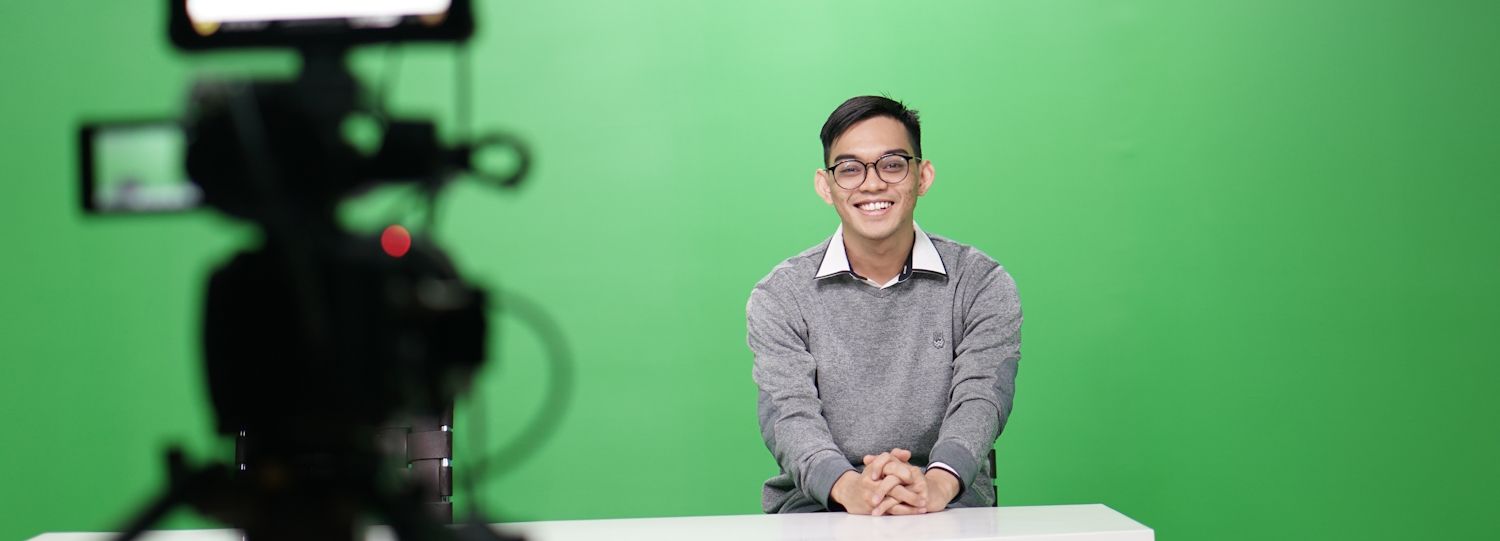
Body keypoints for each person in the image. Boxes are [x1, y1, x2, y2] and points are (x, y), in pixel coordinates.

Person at [748, 96, 1022, 515]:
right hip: (819, 504)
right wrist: (849, 487)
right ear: (826, 185)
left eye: (892, 164)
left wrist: (935, 484)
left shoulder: (980, 283)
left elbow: (982, 399)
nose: (872, 184)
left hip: (950, 500)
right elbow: (789, 414)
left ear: (922, 175)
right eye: (850, 169)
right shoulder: (780, 295)